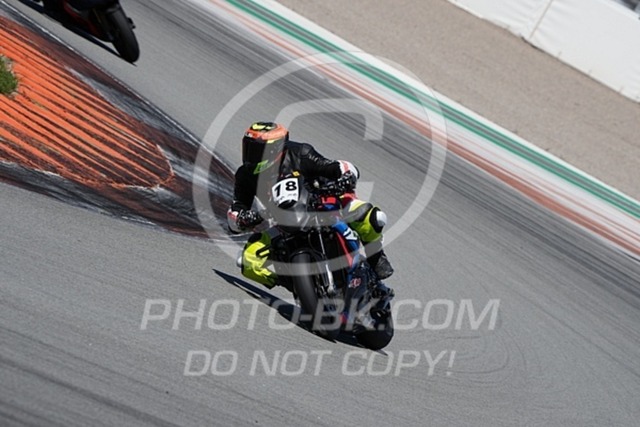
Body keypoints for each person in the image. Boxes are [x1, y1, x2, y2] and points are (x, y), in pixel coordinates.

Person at [227, 121, 394, 289]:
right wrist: (244, 218)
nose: (251, 156)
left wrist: (346, 176)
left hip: (323, 205)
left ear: (275, 149)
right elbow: (234, 214)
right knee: (248, 261)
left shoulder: (300, 153)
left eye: (257, 151)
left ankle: (376, 257)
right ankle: (296, 285)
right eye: (249, 148)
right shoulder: (245, 175)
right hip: (284, 222)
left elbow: (336, 166)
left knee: (370, 216)